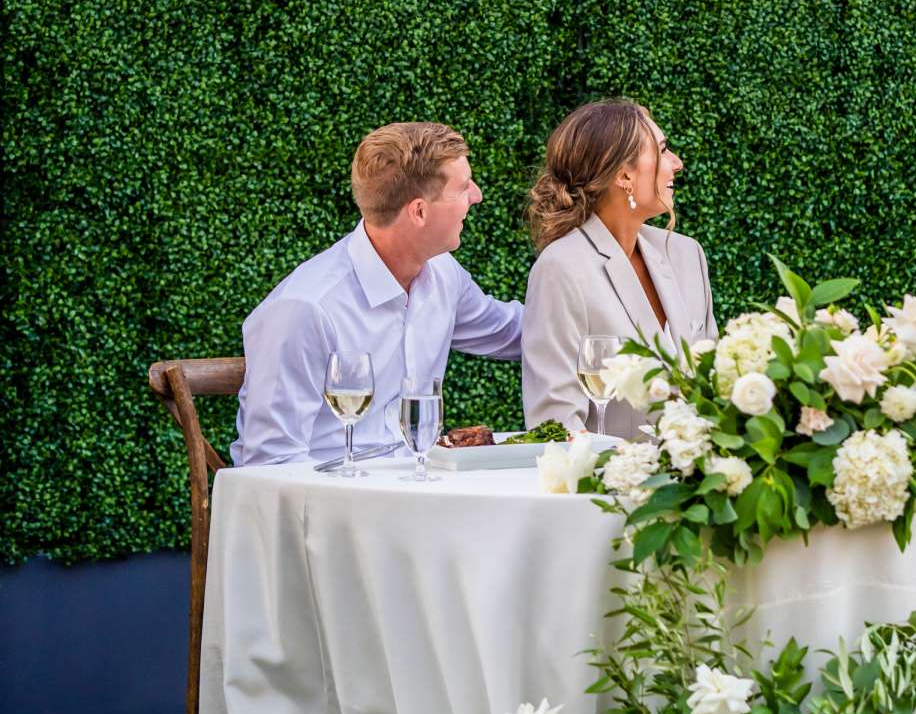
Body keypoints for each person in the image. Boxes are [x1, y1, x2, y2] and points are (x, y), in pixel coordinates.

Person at [233, 122, 524, 467]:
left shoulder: (444, 275)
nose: (476, 196)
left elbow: (517, 334)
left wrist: (594, 317)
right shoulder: (306, 308)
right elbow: (271, 463)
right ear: (419, 211)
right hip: (334, 505)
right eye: (462, 188)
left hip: (418, 490)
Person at [521, 99, 716, 440]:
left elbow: (716, 390)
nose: (677, 164)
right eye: (663, 150)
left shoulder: (687, 255)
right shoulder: (561, 269)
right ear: (624, 175)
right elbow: (554, 422)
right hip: (605, 487)